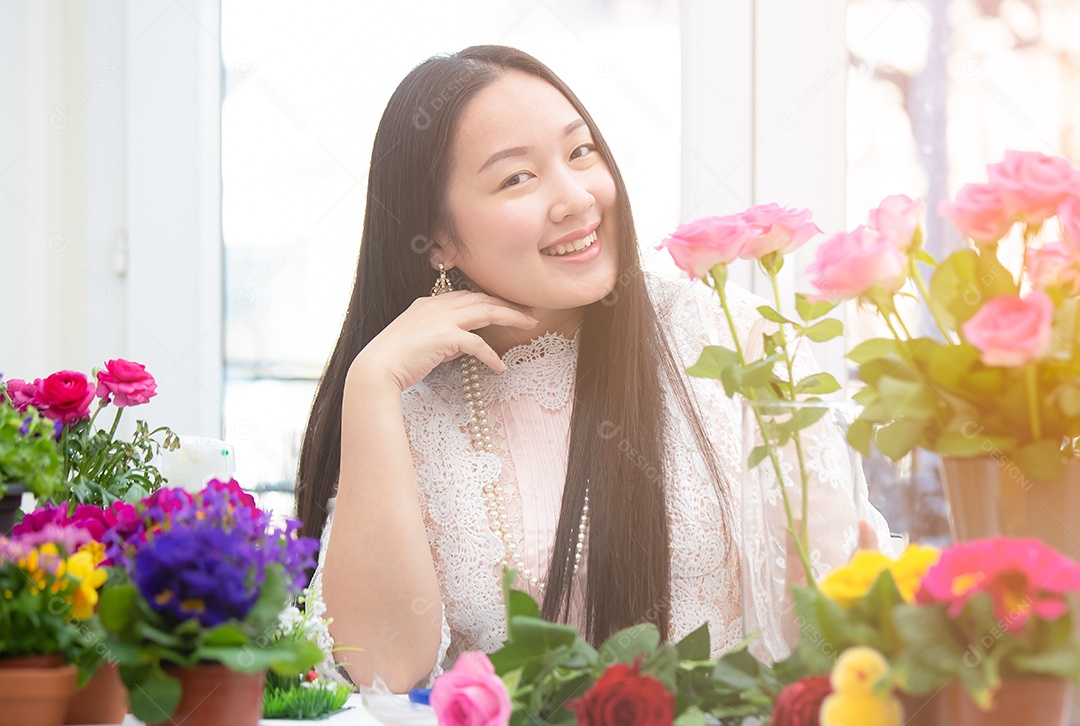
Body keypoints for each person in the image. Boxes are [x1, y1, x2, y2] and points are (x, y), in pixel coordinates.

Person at [295, 44, 890, 694]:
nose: (577, 198)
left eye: (581, 153)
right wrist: (372, 382)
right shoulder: (413, 409)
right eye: (516, 178)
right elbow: (382, 671)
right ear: (437, 239)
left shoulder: (729, 339)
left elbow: (832, 618)